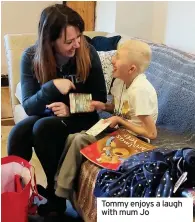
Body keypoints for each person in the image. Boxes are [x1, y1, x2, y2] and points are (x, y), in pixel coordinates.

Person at [7, 4, 107, 215]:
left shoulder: (87, 53)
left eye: (78, 37)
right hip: (48, 116)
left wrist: (70, 107)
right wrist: (51, 87)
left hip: (83, 118)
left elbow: (99, 99)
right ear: (49, 41)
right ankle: (20, 194)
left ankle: (55, 195)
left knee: (43, 128)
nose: (76, 45)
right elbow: (29, 106)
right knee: (18, 133)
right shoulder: (31, 57)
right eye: (69, 41)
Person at [54, 39, 158, 206]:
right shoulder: (121, 82)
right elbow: (121, 109)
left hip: (136, 140)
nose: (112, 60)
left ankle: (59, 195)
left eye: (118, 57)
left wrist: (119, 121)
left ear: (131, 69)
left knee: (80, 140)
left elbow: (151, 133)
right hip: (119, 133)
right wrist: (103, 106)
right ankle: (60, 187)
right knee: (73, 137)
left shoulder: (141, 91)